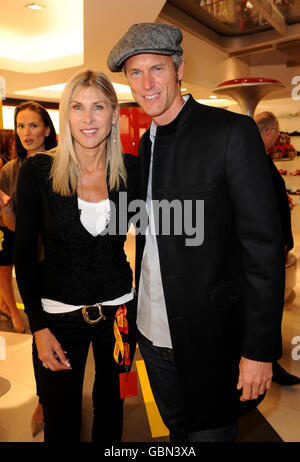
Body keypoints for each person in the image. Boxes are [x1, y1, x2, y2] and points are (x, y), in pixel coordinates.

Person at [107, 23, 285, 442]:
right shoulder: (147, 144)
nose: (146, 84)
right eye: (135, 73)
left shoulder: (229, 133)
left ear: (179, 67)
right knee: (176, 435)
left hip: (211, 339)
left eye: (157, 69)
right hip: (153, 334)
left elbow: (263, 249)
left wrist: (258, 350)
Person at [14, 70, 137, 442]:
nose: (88, 118)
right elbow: (23, 255)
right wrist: (37, 327)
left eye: (98, 107)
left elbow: (155, 237)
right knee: (61, 419)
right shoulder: (39, 171)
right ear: (66, 115)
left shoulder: (132, 170)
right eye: (78, 107)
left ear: (115, 114)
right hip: (57, 318)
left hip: (119, 316)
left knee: (113, 409)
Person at [0, 101, 58, 436]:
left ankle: (53, 398)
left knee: (61, 335)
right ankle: (43, 398)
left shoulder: (59, 163)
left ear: (47, 129)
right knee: (41, 333)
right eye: (21, 126)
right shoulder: (11, 170)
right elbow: (12, 226)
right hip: (31, 261)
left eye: (33, 126)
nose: (26, 133)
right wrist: (6, 206)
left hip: (60, 262)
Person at [254, 111, 300, 386]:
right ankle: (268, 362)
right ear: (270, 132)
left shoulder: (257, 160)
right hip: (266, 251)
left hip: (268, 248)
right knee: (267, 308)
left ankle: (269, 360)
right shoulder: (257, 161)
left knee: (268, 307)